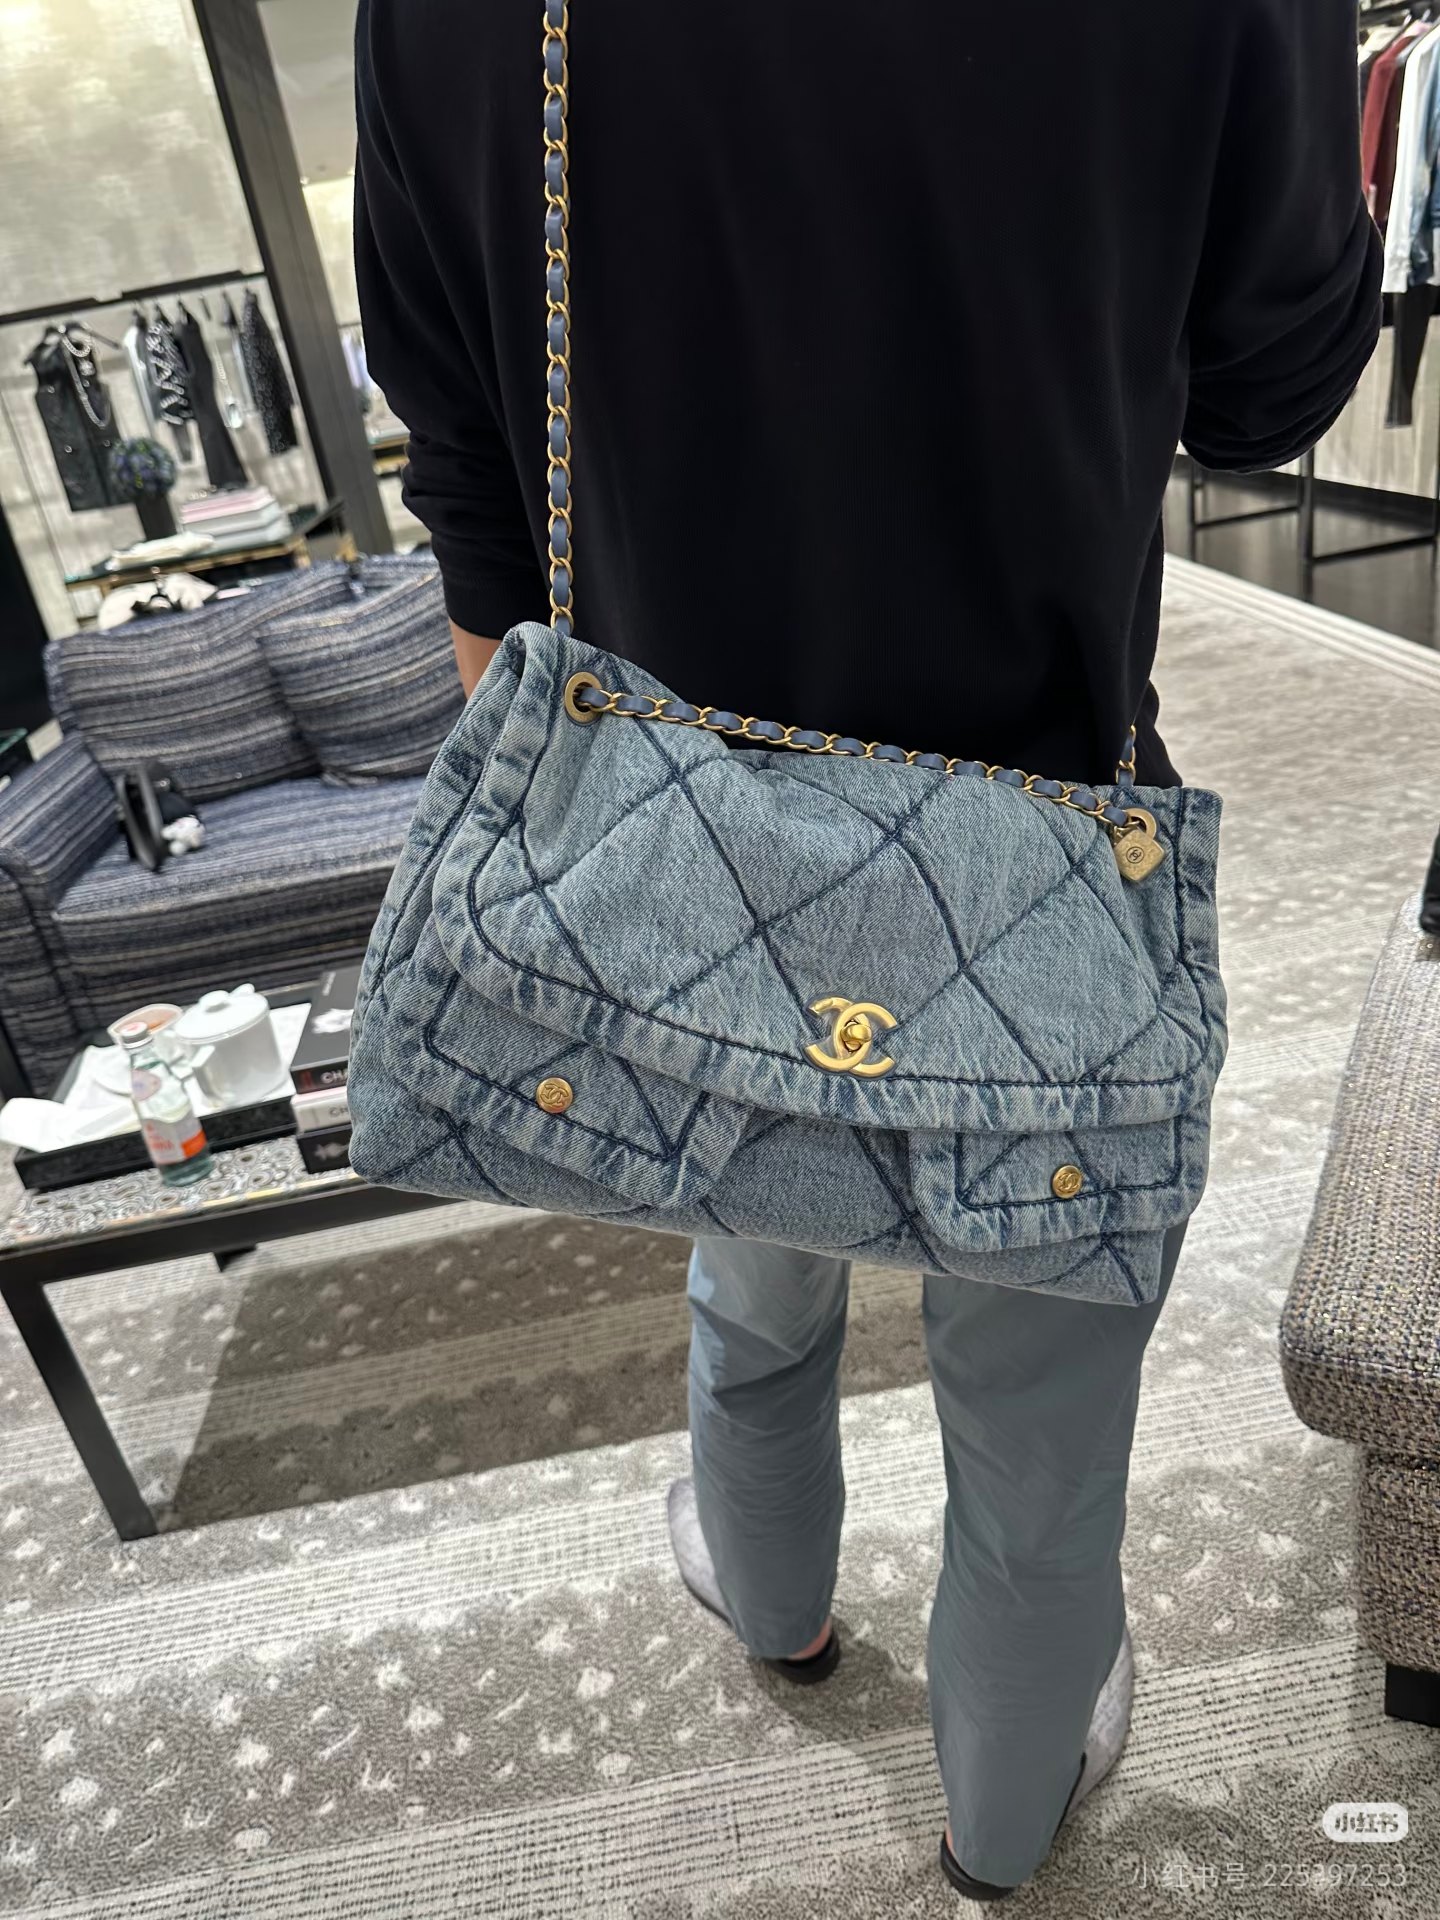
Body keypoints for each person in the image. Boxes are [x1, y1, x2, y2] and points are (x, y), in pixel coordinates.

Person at [354, 0, 1380, 1896]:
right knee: (1042, 1421)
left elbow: (470, 475)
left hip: (682, 854)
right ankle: (1003, 1826)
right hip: (1048, 845)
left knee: (750, 1268)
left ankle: (777, 1610)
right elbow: (1270, 395)